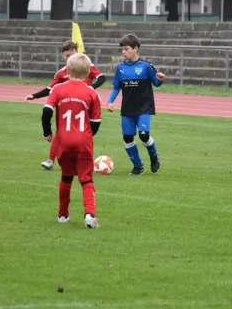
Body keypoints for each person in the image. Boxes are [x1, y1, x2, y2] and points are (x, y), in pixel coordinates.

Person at [42, 53, 102, 229]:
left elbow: (47, 111)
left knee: (66, 177)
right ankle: (90, 215)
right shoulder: (92, 93)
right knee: (86, 179)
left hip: (63, 141)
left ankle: (63, 215)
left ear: (67, 69)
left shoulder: (58, 89)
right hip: (83, 141)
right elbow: (96, 122)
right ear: (87, 73)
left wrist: (47, 132)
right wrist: (88, 136)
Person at [25, 40, 105, 170]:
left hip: (85, 104)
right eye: (67, 56)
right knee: (62, 130)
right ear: (63, 56)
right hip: (68, 104)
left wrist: (90, 88)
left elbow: (101, 77)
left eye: (73, 55)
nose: (71, 58)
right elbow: (50, 88)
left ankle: (84, 159)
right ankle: (50, 160)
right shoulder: (62, 73)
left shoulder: (87, 65)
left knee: (86, 130)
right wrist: (34, 96)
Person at [107, 34, 165, 175]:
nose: (123, 52)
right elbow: (116, 87)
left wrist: (160, 79)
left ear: (135, 49)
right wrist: (110, 101)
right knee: (127, 138)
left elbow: (156, 83)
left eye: (126, 49)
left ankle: (154, 156)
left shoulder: (146, 66)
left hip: (144, 108)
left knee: (144, 135)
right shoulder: (120, 68)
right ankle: (138, 166)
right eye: (122, 49)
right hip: (127, 109)